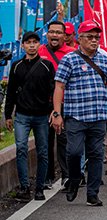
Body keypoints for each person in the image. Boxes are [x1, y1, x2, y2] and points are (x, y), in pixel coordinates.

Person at [51, 20, 107, 207]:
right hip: (75, 116)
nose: (94, 41)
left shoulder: (103, 58)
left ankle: (93, 193)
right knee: (74, 151)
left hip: (98, 116)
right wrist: (56, 113)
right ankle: (74, 178)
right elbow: (59, 87)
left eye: (97, 37)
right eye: (90, 37)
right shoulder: (69, 59)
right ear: (80, 39)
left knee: (96, 155)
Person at [5, 32, 56, 202]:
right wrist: (8, 115)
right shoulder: (16, 66)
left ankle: (40, 187)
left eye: (35, 42)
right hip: (22, 115)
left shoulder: (47, 66)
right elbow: (11, 91)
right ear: (23, 45)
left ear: (38, 45)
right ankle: (24, 186)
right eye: (28, 43)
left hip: (42, 116)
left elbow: (53, 91)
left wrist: (54, 111)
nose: (32, 45)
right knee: (21, 149)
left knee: (43, 152)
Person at [38, 20, 75, 187]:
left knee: (64, 140)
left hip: (66, 104)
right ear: (47, 34)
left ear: (64, 36)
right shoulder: (39, 51)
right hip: (43, 104)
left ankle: (67, 176)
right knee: (45, 141)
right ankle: (47, 177)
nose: (54, 35)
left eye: (58, 32)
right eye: (51, 32)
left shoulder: (72, 54)